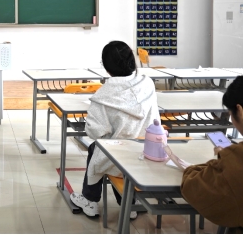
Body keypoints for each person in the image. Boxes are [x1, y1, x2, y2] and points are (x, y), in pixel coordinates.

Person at [70, 41, 160, 219]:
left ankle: (90, 200)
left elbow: (94, 132)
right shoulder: (148, 83)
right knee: (115, 152)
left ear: (107, 67)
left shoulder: (103, 95)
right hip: (147, 149)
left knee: (96, 149)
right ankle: (128, 203)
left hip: (118, 154)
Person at [180, 76, 243, 229]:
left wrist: (223, 158)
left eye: (230, 114)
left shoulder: (237, 159)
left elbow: (194, 188)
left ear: (240, 111)